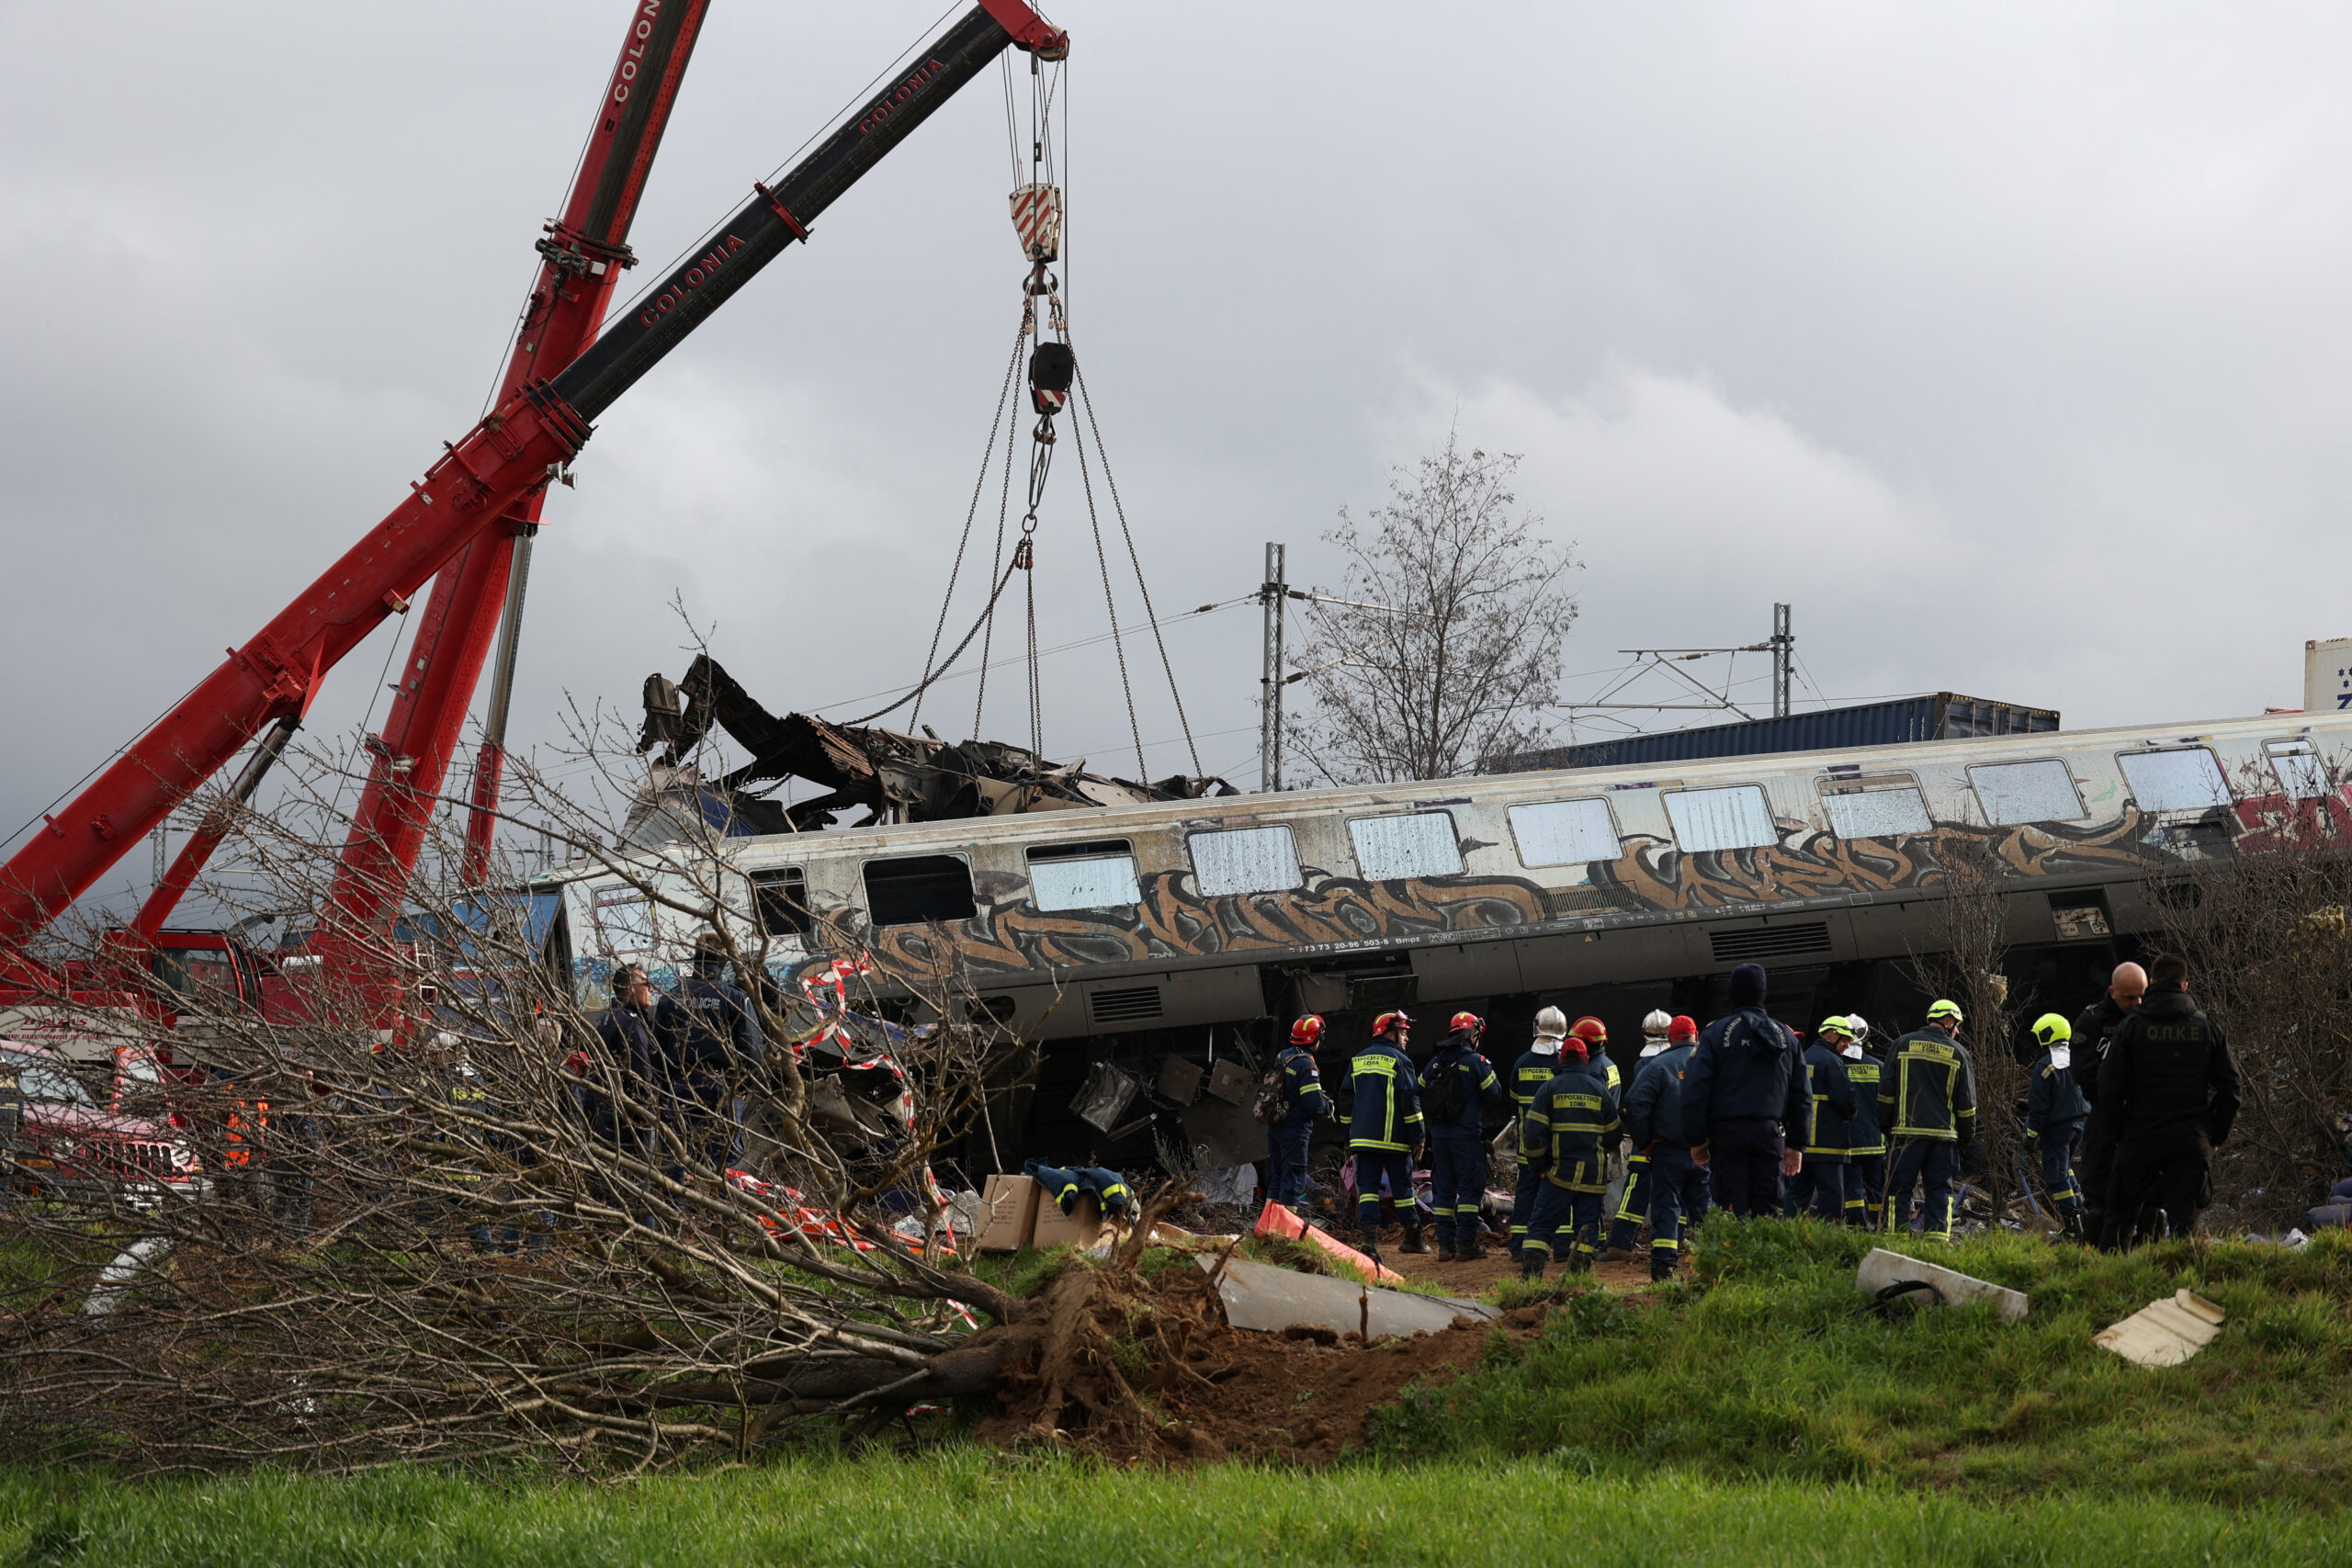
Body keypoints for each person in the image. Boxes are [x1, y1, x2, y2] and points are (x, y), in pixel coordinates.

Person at [2093, 954, 2240, 1249]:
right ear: (2184, 986)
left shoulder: (2131, 1028)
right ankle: (2182, 1288)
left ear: (2152, 984)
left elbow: (2107, 1090)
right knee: (2185, 1228)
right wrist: (2214, 1135)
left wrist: (2123, 1132)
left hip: (2139, 1138)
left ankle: (2108, 1283)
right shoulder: (2206, 1028)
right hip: (2190, 1141)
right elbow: (2232, 1090)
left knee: (2120, 1218)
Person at [1682, 964, 1808, 1218]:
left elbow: (1695, 1091)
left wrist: (1697, 1140)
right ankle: (1760, 1257)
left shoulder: (1714, 1034)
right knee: (1767, 1210)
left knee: (1731, 1207)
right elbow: (1802, 1095)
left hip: (1727, 1135)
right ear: (1763, 992)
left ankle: (1733, 1256)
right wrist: (1797, 1144)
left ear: (1732, 992)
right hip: (1770, 1133)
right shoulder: (1786, 1036)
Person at [653, 931, 767, 1177]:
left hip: (681, 1086)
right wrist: (743, 1085)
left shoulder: (671, 998)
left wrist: (666, 1085)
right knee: (725, 1159)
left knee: (676, 1155)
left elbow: (657, 1051)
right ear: (722, 961)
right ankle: (726, 1212)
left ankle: (675, 1210)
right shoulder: (734, 997)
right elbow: (752, 1047)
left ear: (696, 958)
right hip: (723, 1086)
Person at [1521, 1027, 1620, 1280]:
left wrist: (1538, 1166)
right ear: (1586, 1060)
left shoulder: (1549, 1090)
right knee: (1586, 1230)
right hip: (1592, 1176)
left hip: (1557, 1173)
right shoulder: (1600, 1091)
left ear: (1561, 1059)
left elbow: (1532, 1133)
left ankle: (1531, 1283)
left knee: (1541, 1227)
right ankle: (1577, 1284)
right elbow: (1614, 1136)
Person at [1880, 1000, 1977, 1241]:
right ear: (1947, 1021)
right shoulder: (1958, 1052)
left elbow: (1885, 1092)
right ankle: (1937, 1244)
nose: (1957, 1032)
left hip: (1905, 1134)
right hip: (1943, 1140)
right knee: (1940, 1192)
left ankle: (1896, 1240)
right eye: (1956, 1026)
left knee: (1898, 1190)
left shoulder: (1902, 1044)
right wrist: (1967, 1136)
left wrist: (1885, 1126)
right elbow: (1966, 1103)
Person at [1623, 1013, 1705, 1280]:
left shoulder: (1659, 1065)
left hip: (1667, 1151)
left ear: (1670, 1038)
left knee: (1667, 1206)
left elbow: (1635, 1103)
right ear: (1697, 1036)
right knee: (1705, 1208)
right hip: (1704, 1152)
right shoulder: (1713, 1064)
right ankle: (1714, 1261)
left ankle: (1663, 1268)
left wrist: (1645, 1142)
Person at [1339, 1010, 1425, 1263]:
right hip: (1394, 1140)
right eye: (1404, 1032)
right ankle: (1413, 1238)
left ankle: (1369, 1241)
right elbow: (1410, 1101)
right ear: (1391, 1033)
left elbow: (1345, 1101)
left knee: (1367, 1190)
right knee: (1403, 1188)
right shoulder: (1400, 1060)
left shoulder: (1357, 1060)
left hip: (1363, 1141)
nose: (1407, 1037)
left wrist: (1349, 1136)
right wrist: (1418, 1137)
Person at [2072, 962, 2147, 1248]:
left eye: (2142, 995)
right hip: (2104, 1117)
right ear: (2112, 992)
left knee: (2148, 1199)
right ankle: (2096, 1257)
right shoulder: (2091, 1022)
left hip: (2142, 1119)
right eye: (2129, 997)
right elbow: (2082, 1071)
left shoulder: (2150, 1020)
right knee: (2098, 1196)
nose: (2137, 1003)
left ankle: (2145, 1256)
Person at [1419, 1011, 1504, 1261]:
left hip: (1440, 1138)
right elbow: (1495, 1094)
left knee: (1443, 1192)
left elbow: (1418, 1087)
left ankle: (1446, 1247)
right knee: (1469, 1192)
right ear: (1473, 1034)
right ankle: (1466, 1245)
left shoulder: (1435, 1063)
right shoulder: (1477, 1061)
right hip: (1467, 1138)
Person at [1600, 1010, 1676, 1260]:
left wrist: (1642, 1140)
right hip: (1674, 1143)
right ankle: (1682, 1244)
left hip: (1646, 1144)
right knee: (1678, 1195)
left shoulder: (1643, 1064)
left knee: (1634, 1193)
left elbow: (1636, 1102)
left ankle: (1620, 1244)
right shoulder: (1682, 1061)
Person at [2024, 1012, 2092, 1241]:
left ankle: (2074, 1227)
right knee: (2066, 1169)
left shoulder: (2045, 1065)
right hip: (2079, 1125)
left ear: (2047, 1035)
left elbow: (2039, 1107)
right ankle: (2083, 1213)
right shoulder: (2075, 1057)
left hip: (2057, 1130)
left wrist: (2030, 1135)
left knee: (2056, 1176)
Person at [1507, 1008, 1569, 1258]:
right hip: (1557, 1147)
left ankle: (1518, 1246)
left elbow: (1513, 1103)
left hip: (1527, 1148)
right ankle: (1561, 1247)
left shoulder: (1521, 1063)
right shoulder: (1563, 1062)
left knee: (1525, 1196)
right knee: (1561, 1194)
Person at [1784, 1018, 1860, 1221]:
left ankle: (1788, 1232)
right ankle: (1828, 1237)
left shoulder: (1802, 1058)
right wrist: (1850, 1115)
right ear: (1831, 1035)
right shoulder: (1832, 1061)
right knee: (1831, 1194)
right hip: (1829, 1144)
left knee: (1797, 1193)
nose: (1846, 1046)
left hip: (1802, 1144)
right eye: (1845, 1040)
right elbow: (1846, 1099)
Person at [1264, 1015, 1331, 1210]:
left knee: (1276, 1180)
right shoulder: (1307, 1065)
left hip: (1275, 1127)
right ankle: (1286, 1232)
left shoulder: (1283, 1056)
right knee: (1293, 1182)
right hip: (1294, 1132)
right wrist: (1328, 1107)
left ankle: (1268, 1228)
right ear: (1315, 1039)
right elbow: (1313, 1104)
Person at [1835, 1016, 1887, 1229]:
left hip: (1850, 1141)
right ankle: (1878, 1224)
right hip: (1875, 1140)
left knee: (1853, 1187)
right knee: (1877, 1187)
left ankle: (1857, 1227)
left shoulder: (1836, 1065)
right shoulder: (1879, 1067)